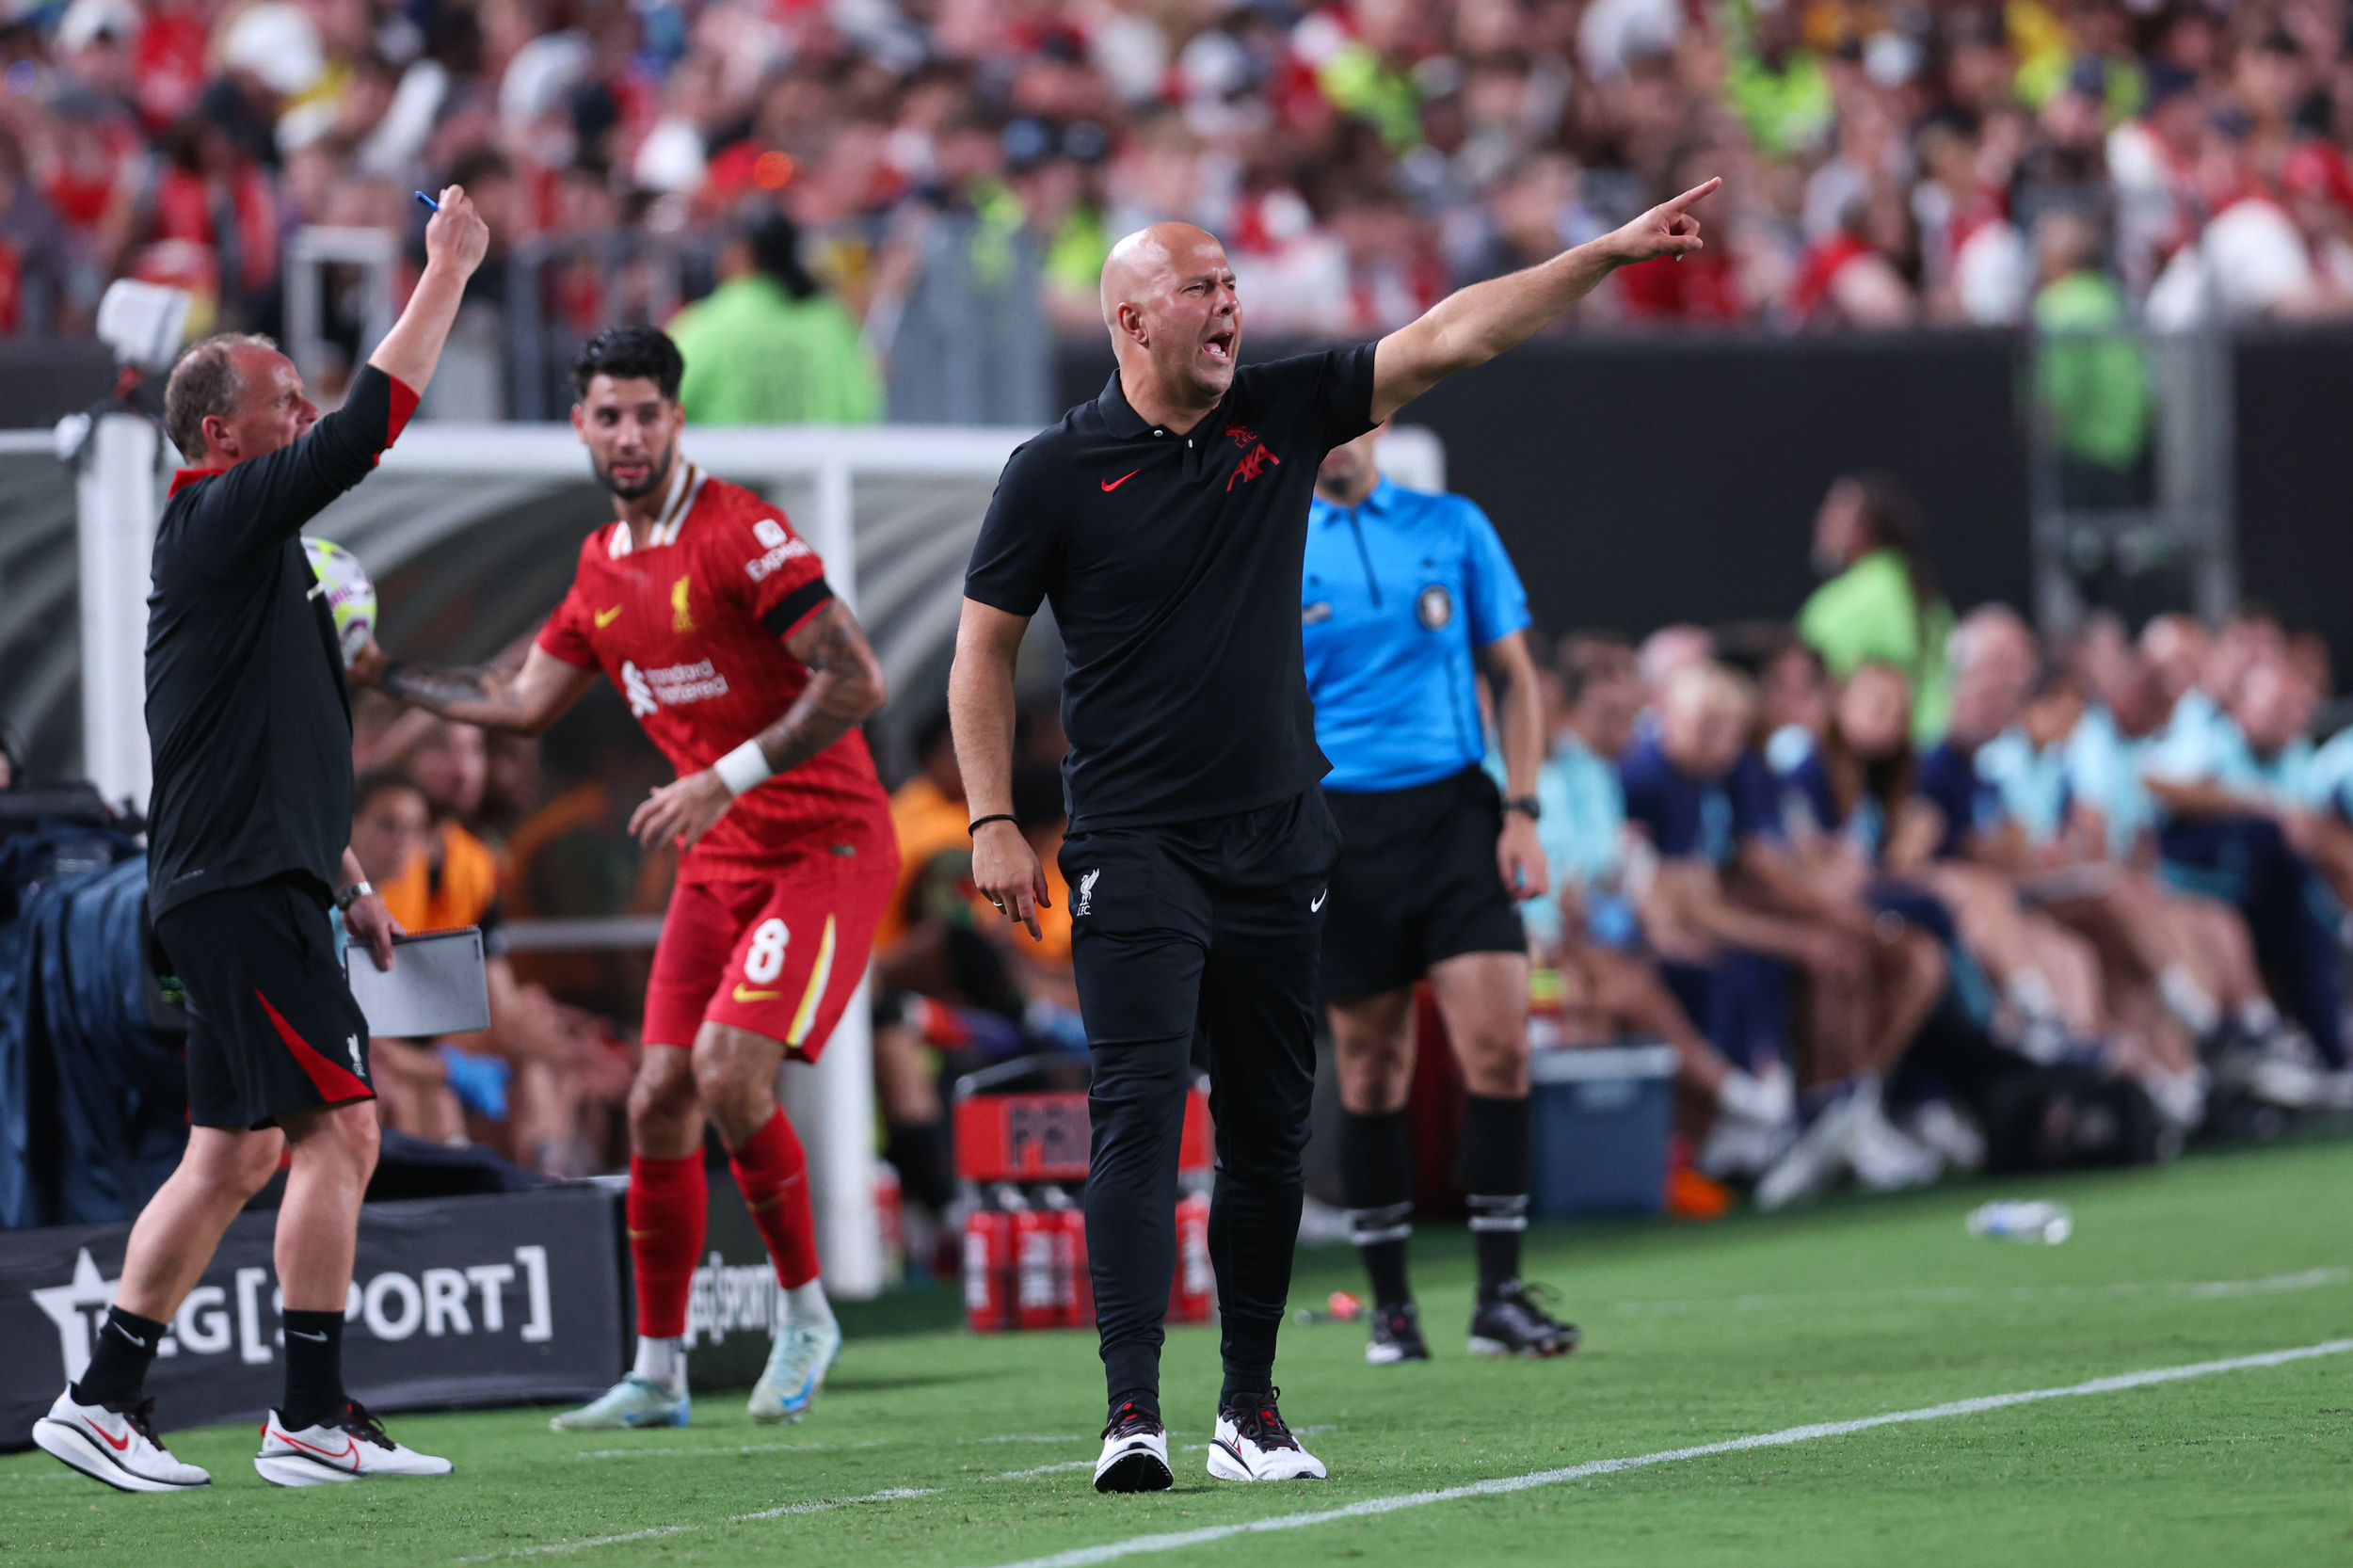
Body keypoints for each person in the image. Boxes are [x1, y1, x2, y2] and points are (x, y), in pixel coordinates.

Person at [951, 181, 1721, 1493]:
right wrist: (992, 818)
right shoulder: (1054, 473)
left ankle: (1248, 1408)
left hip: (1277, 839)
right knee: (1140, 1115)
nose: (1230, 306)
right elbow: (984, 652)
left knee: (1264, 1129)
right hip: (1132, 840)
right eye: (1203, 289)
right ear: (1134, 318)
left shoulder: (1279, 411)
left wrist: (1596, 254)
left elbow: (1449, 337)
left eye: (1234, 286)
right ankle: (1130, 1409)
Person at [353, 325, 897, 1429]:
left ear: (676, 418)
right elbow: (517, 699)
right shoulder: (601, 567)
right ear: (583, 427)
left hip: (823, 846)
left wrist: (726, 777)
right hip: (720, 854)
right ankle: (658, 1369)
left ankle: (806, 1310)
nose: (630, 433)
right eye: (610, 414)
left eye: (648, 412)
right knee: (656, 1099)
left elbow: (860, 677)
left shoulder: (743, 531)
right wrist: (380, 671)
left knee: (731, 1075)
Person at [32, 185, 488, 1493]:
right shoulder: (220, 517)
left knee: (234, 1151)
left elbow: (271, 750)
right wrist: (447, 266)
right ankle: (304, 1412)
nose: (306, 409)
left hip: (252, 879)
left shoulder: (263, 555)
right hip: (237, 888)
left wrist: (347, 876)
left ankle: (105, 1394)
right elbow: (370, 426)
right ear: (222, 429)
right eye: (284, 396)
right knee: (345, 1131)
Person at [1297, 421, 1572, 1367]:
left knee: (1499, 1045)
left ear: (1377, 424)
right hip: (1339, 824)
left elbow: (1517, 678)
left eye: (1347, 419)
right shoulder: (1276, 542)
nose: (1331, 439)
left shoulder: (1451, 525)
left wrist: (1523, 809)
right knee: (1374, 1070)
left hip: (1456, 811)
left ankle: (1498, 1295)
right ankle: (1392, 1311)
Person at [668, 206, 882, 426]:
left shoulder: (710, 323)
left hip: (729, 461)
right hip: (817, 460)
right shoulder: (830, 321)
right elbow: (862, 408)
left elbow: (661, 401)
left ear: (742, 252)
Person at [1798, 473, 1955, 744]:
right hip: (1934, 739)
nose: (1821, 521)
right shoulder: (1927, 596)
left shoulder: (1840, 605)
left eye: (1837, 511)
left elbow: (1807, 683)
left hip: (1875, 751)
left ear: (1865, 528)